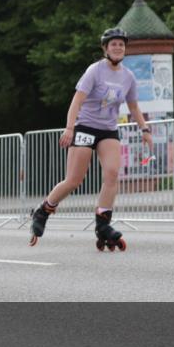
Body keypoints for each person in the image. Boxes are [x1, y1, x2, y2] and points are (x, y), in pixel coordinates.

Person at [28, 28, 153, 251]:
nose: (118, 48)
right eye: (113, 44)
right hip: (85, 126)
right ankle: (44, 209)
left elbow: (133, 105)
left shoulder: (128, 77)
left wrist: (145, 129)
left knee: (112, 174)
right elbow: (77, 101)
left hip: (108, 130)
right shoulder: (94, 71)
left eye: (121, 45)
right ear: (105, 48)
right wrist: (69, 128)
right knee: (74, 180)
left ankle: (103, 224)